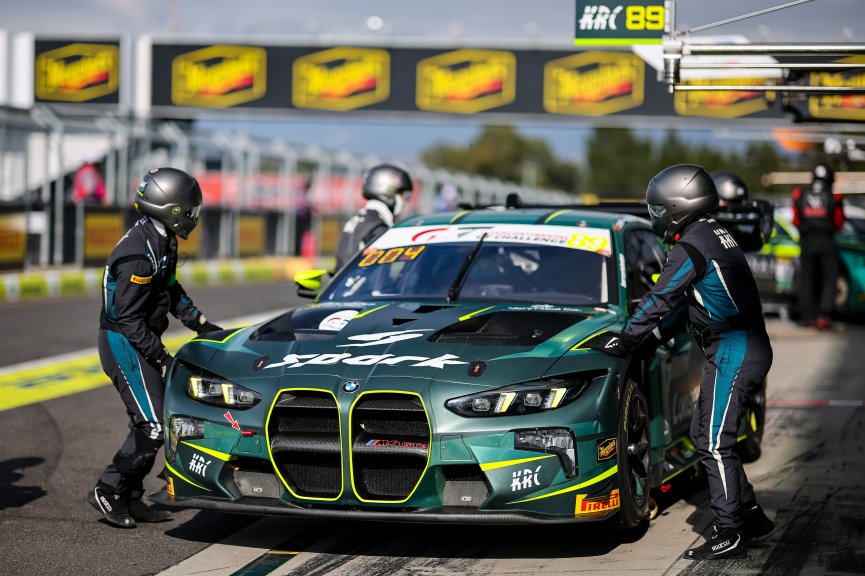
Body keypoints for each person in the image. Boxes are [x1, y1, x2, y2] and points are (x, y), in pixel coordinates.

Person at [587, 164, 774, 560]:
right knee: (706, 432)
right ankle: (751, 515)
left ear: (675, 205)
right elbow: (687, 307)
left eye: (657, 207)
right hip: (741, 344)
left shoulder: (691, 244)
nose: (653, 215)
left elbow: (661, 298)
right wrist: (650, 339)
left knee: (711, 441)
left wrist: (626, 338)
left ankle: (730, 531)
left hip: (734, 347)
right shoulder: (711, 232)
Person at [88, 167, 223, 528]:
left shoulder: (163, 239)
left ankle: (131, 497)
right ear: (170, 208)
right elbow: (128, 319)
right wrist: (161, 357)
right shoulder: (137, 253)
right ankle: (108, 488)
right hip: (123, 341)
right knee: (151, 426)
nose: (194, 215)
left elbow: (171, 289)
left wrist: (201, 324)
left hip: (138, 336)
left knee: (157, 421)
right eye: (189, 208)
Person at [792, 164, 845, 330]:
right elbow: (839, 222)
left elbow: (795, 220)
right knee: (829, 279)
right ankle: (824, 316)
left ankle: (808, 316)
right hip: (826, 241)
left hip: (807, 242)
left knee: (807, 279)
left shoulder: (799, 194)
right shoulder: (835, 197)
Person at [334, 164, 413, 270]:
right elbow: (380, 272)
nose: (405, 201)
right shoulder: (377, 225)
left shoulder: (359, 219)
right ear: (388, 190)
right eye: (404, 195)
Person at [710, 171, 774, 252]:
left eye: (738, 204)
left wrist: (765, 218)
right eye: (729, 203)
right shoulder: (706, 236)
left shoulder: (733, 237)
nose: (736, 212)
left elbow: (754, 243)